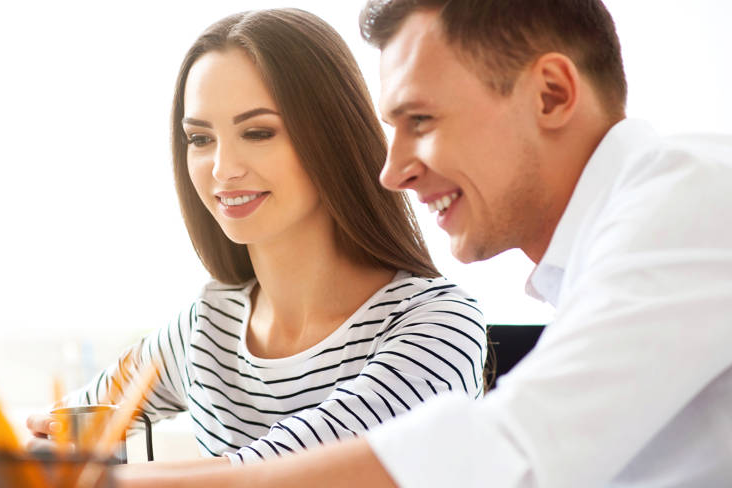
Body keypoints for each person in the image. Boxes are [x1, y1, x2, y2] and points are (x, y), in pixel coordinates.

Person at [79, 0, 730, 486]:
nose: (393, 171)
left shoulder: (694, 196)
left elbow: (509, 449)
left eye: (422, 120)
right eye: (200, 138)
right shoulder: (603, 267)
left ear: (552, 94)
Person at [0, 8, 486, 487]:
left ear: (331, 135)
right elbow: (66, 429)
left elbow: (290, 470)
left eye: (258, 132)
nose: (223, 169)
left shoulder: (436, 326)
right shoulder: (207, 325)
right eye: (200, 139)